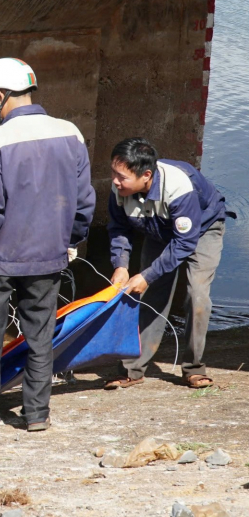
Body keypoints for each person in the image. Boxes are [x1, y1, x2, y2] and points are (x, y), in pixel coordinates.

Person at [0, 58, 95, 437]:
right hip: (49, 256)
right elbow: (83, 200)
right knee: (40, 337)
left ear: (1, 95)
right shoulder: (71, 133)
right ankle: (37, 415)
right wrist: (70, 241)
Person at [104, 138, 226, 390]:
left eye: (122, 177)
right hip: (158, 228)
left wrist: (146, 275)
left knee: (197, 293)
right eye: (113, 173)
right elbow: (118, 228)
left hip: (199, 230)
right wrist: (121, 265)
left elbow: (184, 243)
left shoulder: (179, 188)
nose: (115, 181)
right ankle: (133, 369)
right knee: (148, 294)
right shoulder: (120, 190)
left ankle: (194, 368)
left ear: (146, 175)